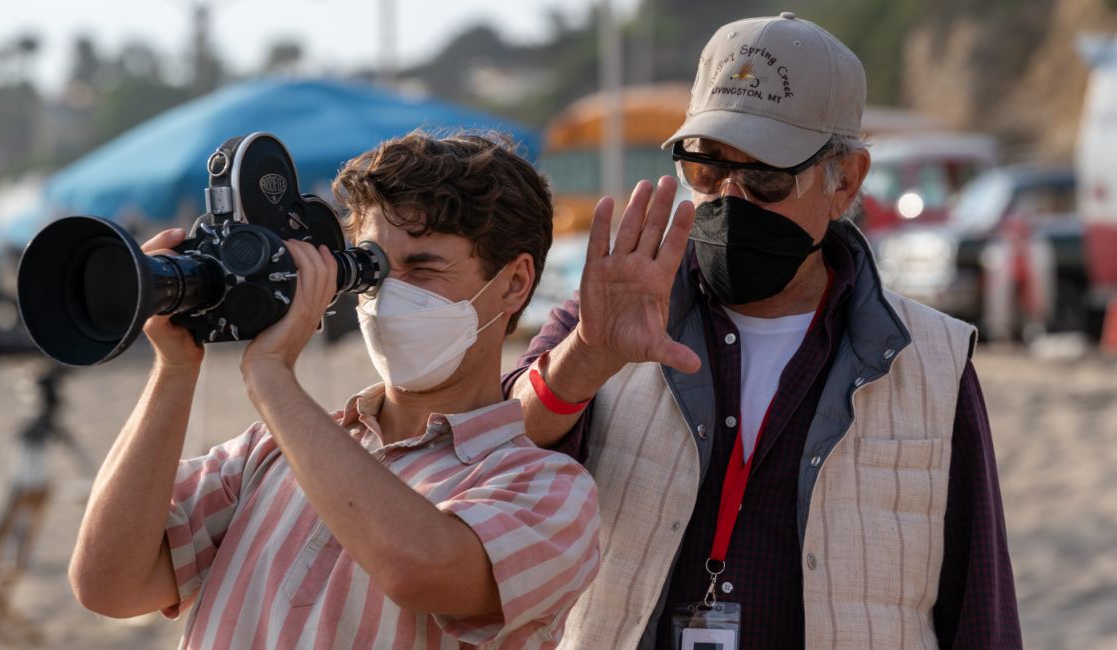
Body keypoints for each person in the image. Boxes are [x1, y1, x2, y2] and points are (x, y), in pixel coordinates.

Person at [506, 12, 1021, 649]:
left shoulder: (933, 362)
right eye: (706, 168)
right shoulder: (609, 316)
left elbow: (981, 609)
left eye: (766, 176)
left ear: (847, 180)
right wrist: (583, 358)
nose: (730, 196)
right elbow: (494, 456)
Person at [68, 131, 601, 648]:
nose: (390, 294)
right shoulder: (270, 451)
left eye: (422, 269)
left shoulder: (548, 488)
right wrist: (174, 368)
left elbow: (419, 569)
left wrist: (273, 375)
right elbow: (107, 583)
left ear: (514, 282)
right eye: (370, 269)